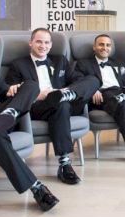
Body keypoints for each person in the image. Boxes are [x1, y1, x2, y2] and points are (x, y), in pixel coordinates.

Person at [6, 28, 100, 185]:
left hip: (65, 99)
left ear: (51, 45)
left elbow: (78, 78)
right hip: (37, 107)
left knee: (93, 80)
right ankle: (64, 163)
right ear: (31, 43)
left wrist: (68, 91)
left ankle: (66, 94)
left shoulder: (60, 60)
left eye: (46, 42)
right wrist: (39, 94)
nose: (43, 45)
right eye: (39, 41)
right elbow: (9, 93)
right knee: (61, 105)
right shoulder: (18, 65)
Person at [75, 34, 125, 165]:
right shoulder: (83, 63)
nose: (105, 48)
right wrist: (93, 89)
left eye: (108, 45)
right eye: (101, 44)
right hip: (103, 96)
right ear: (94, 47)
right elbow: (78, 81)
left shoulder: (119, 62)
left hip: (123, 91)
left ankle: (124, 96)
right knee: (119, 102)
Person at [0, 76, 59, 211]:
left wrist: (11, 89)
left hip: (1, 115)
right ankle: (36, 187)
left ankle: (11, 112)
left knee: (31, 85)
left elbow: (4, 93)